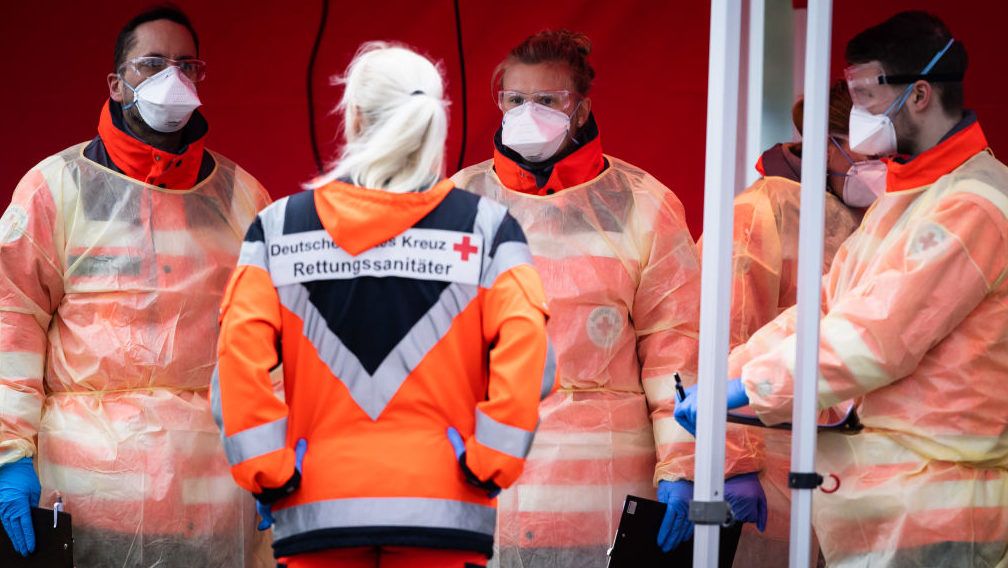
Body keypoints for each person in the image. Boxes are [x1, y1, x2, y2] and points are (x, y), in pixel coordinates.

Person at [677, 11, 1008, 567]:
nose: (857, 118)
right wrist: (725, 376)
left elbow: (876, 335)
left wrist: (750, 386)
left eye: (865, 97)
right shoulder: (907, 198)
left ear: (919, 94)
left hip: (940, 508)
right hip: (892, 505)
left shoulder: (972, 204)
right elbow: (827, 306)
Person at [212, 42, 554, 568]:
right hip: (446, 511)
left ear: (352, 117)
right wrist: (488, 464)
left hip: (316, 511)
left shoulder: (279, 228)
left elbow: (237, 362)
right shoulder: (488, 230)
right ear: (434, 122)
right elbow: (533, 359)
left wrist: (270, 474)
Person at [451, 30, 764, 567]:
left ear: (581, 109)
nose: (528, 113)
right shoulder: (457, 203)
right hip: (485, 482)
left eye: (547, 100)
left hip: (604, 492)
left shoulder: (642, 205)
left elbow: (676, 351)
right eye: (515, 99)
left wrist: (686, 465)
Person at [0, 6, 272, 566]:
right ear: (116, 83)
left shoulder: (241, 199)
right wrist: (8, 455)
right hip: (87, 501)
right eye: (152, 64)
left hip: (211, 504)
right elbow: (11, 323)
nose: (172, 78)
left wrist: (274, 451)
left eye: (186, 65)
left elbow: (269, 344)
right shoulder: (56, 189)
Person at [706, 81, 868, 566]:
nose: (883, 163)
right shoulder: (765, 209)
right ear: (826, 145)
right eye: (870, 150)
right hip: (772, 466)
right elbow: (720, 339)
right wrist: (732, 461)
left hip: (848, 475)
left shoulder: (879, 219)